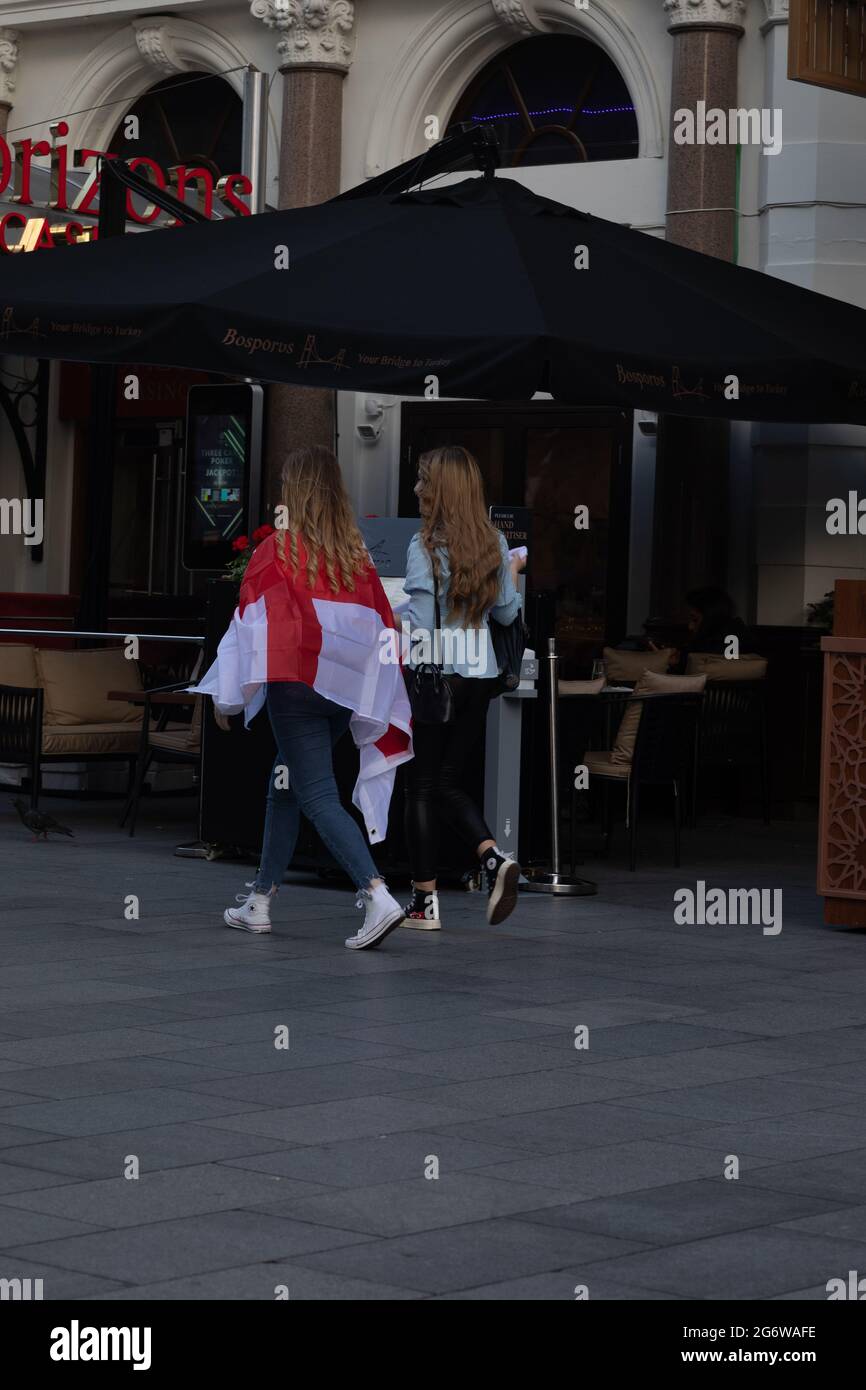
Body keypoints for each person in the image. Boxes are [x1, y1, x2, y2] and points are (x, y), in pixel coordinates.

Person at [192, 446, 413, 951]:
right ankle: (260, 901)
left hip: (294, 690)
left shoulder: (278, 551)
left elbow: (248, 628)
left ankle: (376, 893)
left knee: (315, 793)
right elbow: (382, 626)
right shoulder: (354, 558)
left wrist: (229, 701)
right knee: (286, 784)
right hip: (342, 693)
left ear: (294, 494)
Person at [402, 445, 524, 932]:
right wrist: (510, 575)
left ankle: (423, 904)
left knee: (420, 787)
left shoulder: (425, 544)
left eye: (422, 480)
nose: (416, 489)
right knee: (449, 782)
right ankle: (493, 857)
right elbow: (508, 615)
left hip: (438, 677)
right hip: (481, 678)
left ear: (441, 489)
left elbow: (418, 625)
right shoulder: (493, 541)